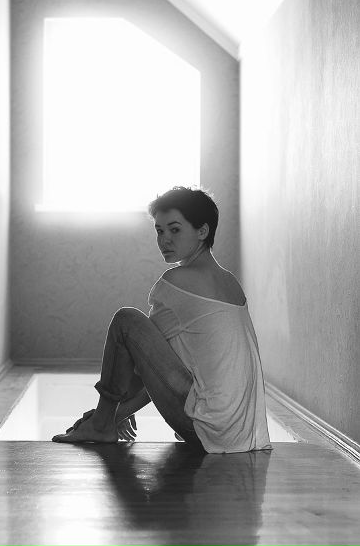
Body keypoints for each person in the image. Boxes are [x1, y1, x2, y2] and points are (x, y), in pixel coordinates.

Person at [52, 186, 272, 453]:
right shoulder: (230, 282)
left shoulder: (176, 282)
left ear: (202, 231)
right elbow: (158, 364)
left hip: (209, 428)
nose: (164, 239)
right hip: (240, 434)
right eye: (159, 231)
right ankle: (103, 420)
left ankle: (100, 424)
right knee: (152, 346)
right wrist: (119, 412)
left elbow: (142, 364)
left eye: (175, 230)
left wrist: (112, 413)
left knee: (126, 321)